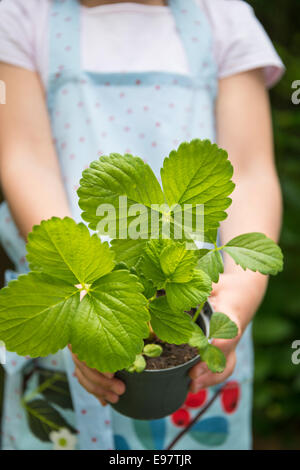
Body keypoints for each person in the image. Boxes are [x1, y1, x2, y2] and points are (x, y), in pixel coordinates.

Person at [0, 0, 283, 450]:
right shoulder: (23, 15)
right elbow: (24, 160)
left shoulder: (223, 16)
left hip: (199, 305)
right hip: (77, 302)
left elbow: (247, 170)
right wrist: (81, 288)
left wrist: (242, 291)